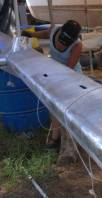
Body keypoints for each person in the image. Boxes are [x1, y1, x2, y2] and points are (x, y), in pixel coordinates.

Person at [22, 20, 83, 164]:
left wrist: (53, 77)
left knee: (67, 111)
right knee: (53, 107)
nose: (62, 44)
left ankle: (69, 151)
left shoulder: (77, 45)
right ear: (60, 32)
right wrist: (30, 34)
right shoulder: (54, 30)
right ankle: (55, 138)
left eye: (66, 42)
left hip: (72, 77)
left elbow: (68, 70)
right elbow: (44, 33)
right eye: (62, 40)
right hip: (55, 73)